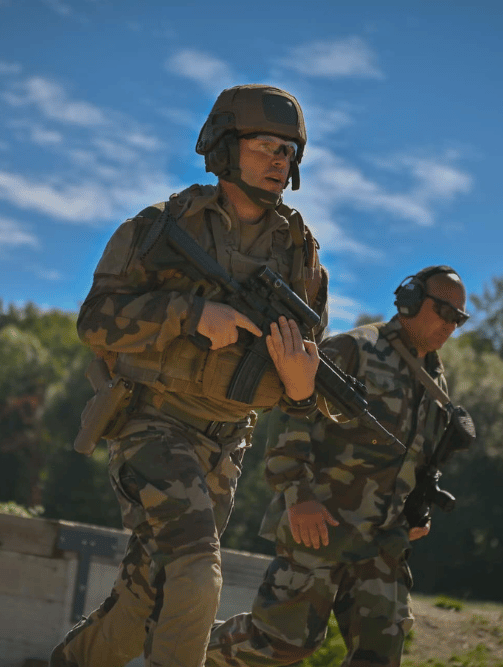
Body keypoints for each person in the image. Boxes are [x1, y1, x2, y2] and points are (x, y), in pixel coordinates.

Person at [50, 84, 330, 667]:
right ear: (226, 147)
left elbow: (308, 359)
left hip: (228, 442)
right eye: (265, 147)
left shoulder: (301, 253)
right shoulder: (161, 227)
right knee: (198, 575)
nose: (281, 162)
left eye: (288, 151)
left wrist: (303, 390)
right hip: (152, 422)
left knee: (145, 598)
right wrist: (192, 315)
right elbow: (95, 321)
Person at [205, 265, 470, 667]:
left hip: (384, 543)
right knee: (281, 644)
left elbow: (416, 454)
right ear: (411, 300)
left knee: (379, 657)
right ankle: (184, 650)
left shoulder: (434, 377)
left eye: (460, 318)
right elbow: (293, 414)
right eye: (446, 312)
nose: (451, 326)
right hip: (321, 525)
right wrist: (298, 497)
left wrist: (418, 508)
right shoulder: (354, 348)